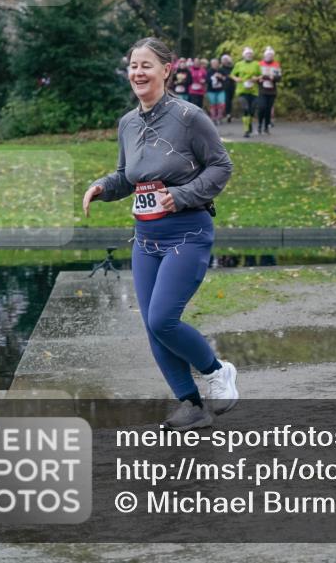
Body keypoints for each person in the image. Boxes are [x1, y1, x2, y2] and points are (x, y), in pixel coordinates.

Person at [82, 37, 238, 431]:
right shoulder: (128, 123)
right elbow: (126, 176)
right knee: (153, 326)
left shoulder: (189, 117)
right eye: (133, 65)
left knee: (164, 318)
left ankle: (217, 372)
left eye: (147, 65)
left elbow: (221, 166)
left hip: (187, 232)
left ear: (167, 70)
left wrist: (182, 196)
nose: (138, 73)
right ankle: (191, 404)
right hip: (146, 239)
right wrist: (103, 187)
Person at [230, 47, 261, 137]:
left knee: (251, 110)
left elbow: (261, 75)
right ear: (244, 55)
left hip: (253, 91)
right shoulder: (239, 64)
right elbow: (232, 74)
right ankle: (246, 130)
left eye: (250, 54)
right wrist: (236, 78)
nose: (249, 55)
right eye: (247, 54)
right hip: (242, 90)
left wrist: (257, 78)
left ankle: (249, 124)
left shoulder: (256, 64)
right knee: (246, 109)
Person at [257, 47, 282, 135]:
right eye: (268, 55)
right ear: (265, 56)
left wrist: (273, 78)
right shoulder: (259, 64)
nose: (269, 57)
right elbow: (255, 76)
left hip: (272, 90)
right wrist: (259, 79)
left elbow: (279, 78)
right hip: (262, 89)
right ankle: (260, 124)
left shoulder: (276, 65)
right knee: (262, 107)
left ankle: (266, 127)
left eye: (271, 55)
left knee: (268, 109)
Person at [206, 57, 227, 124]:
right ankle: (213, 117)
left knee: (222, 104)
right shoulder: (209, 71)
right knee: (213, 105)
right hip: (211, 91)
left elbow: (226, 79)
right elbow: (207, 80)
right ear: (211, 64)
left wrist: (221, 77)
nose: (215, 64)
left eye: (216, 63)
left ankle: (219, 117)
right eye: (213, 63)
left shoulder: (221, 70)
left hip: (220, 90)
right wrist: (213, 77)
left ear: (218, 64)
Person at [220, 54, 236, 123]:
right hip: (223, 87)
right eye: (224, 60)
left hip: (231, 86)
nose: (225, 61)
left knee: (229, 101)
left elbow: (235, 75)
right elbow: (221, 77)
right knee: (226, 101)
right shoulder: (220, 69)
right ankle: (226, 114)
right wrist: (227, 77)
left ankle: (228, 114)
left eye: (226, 59)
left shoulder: (232, 68)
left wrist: (228, 77)